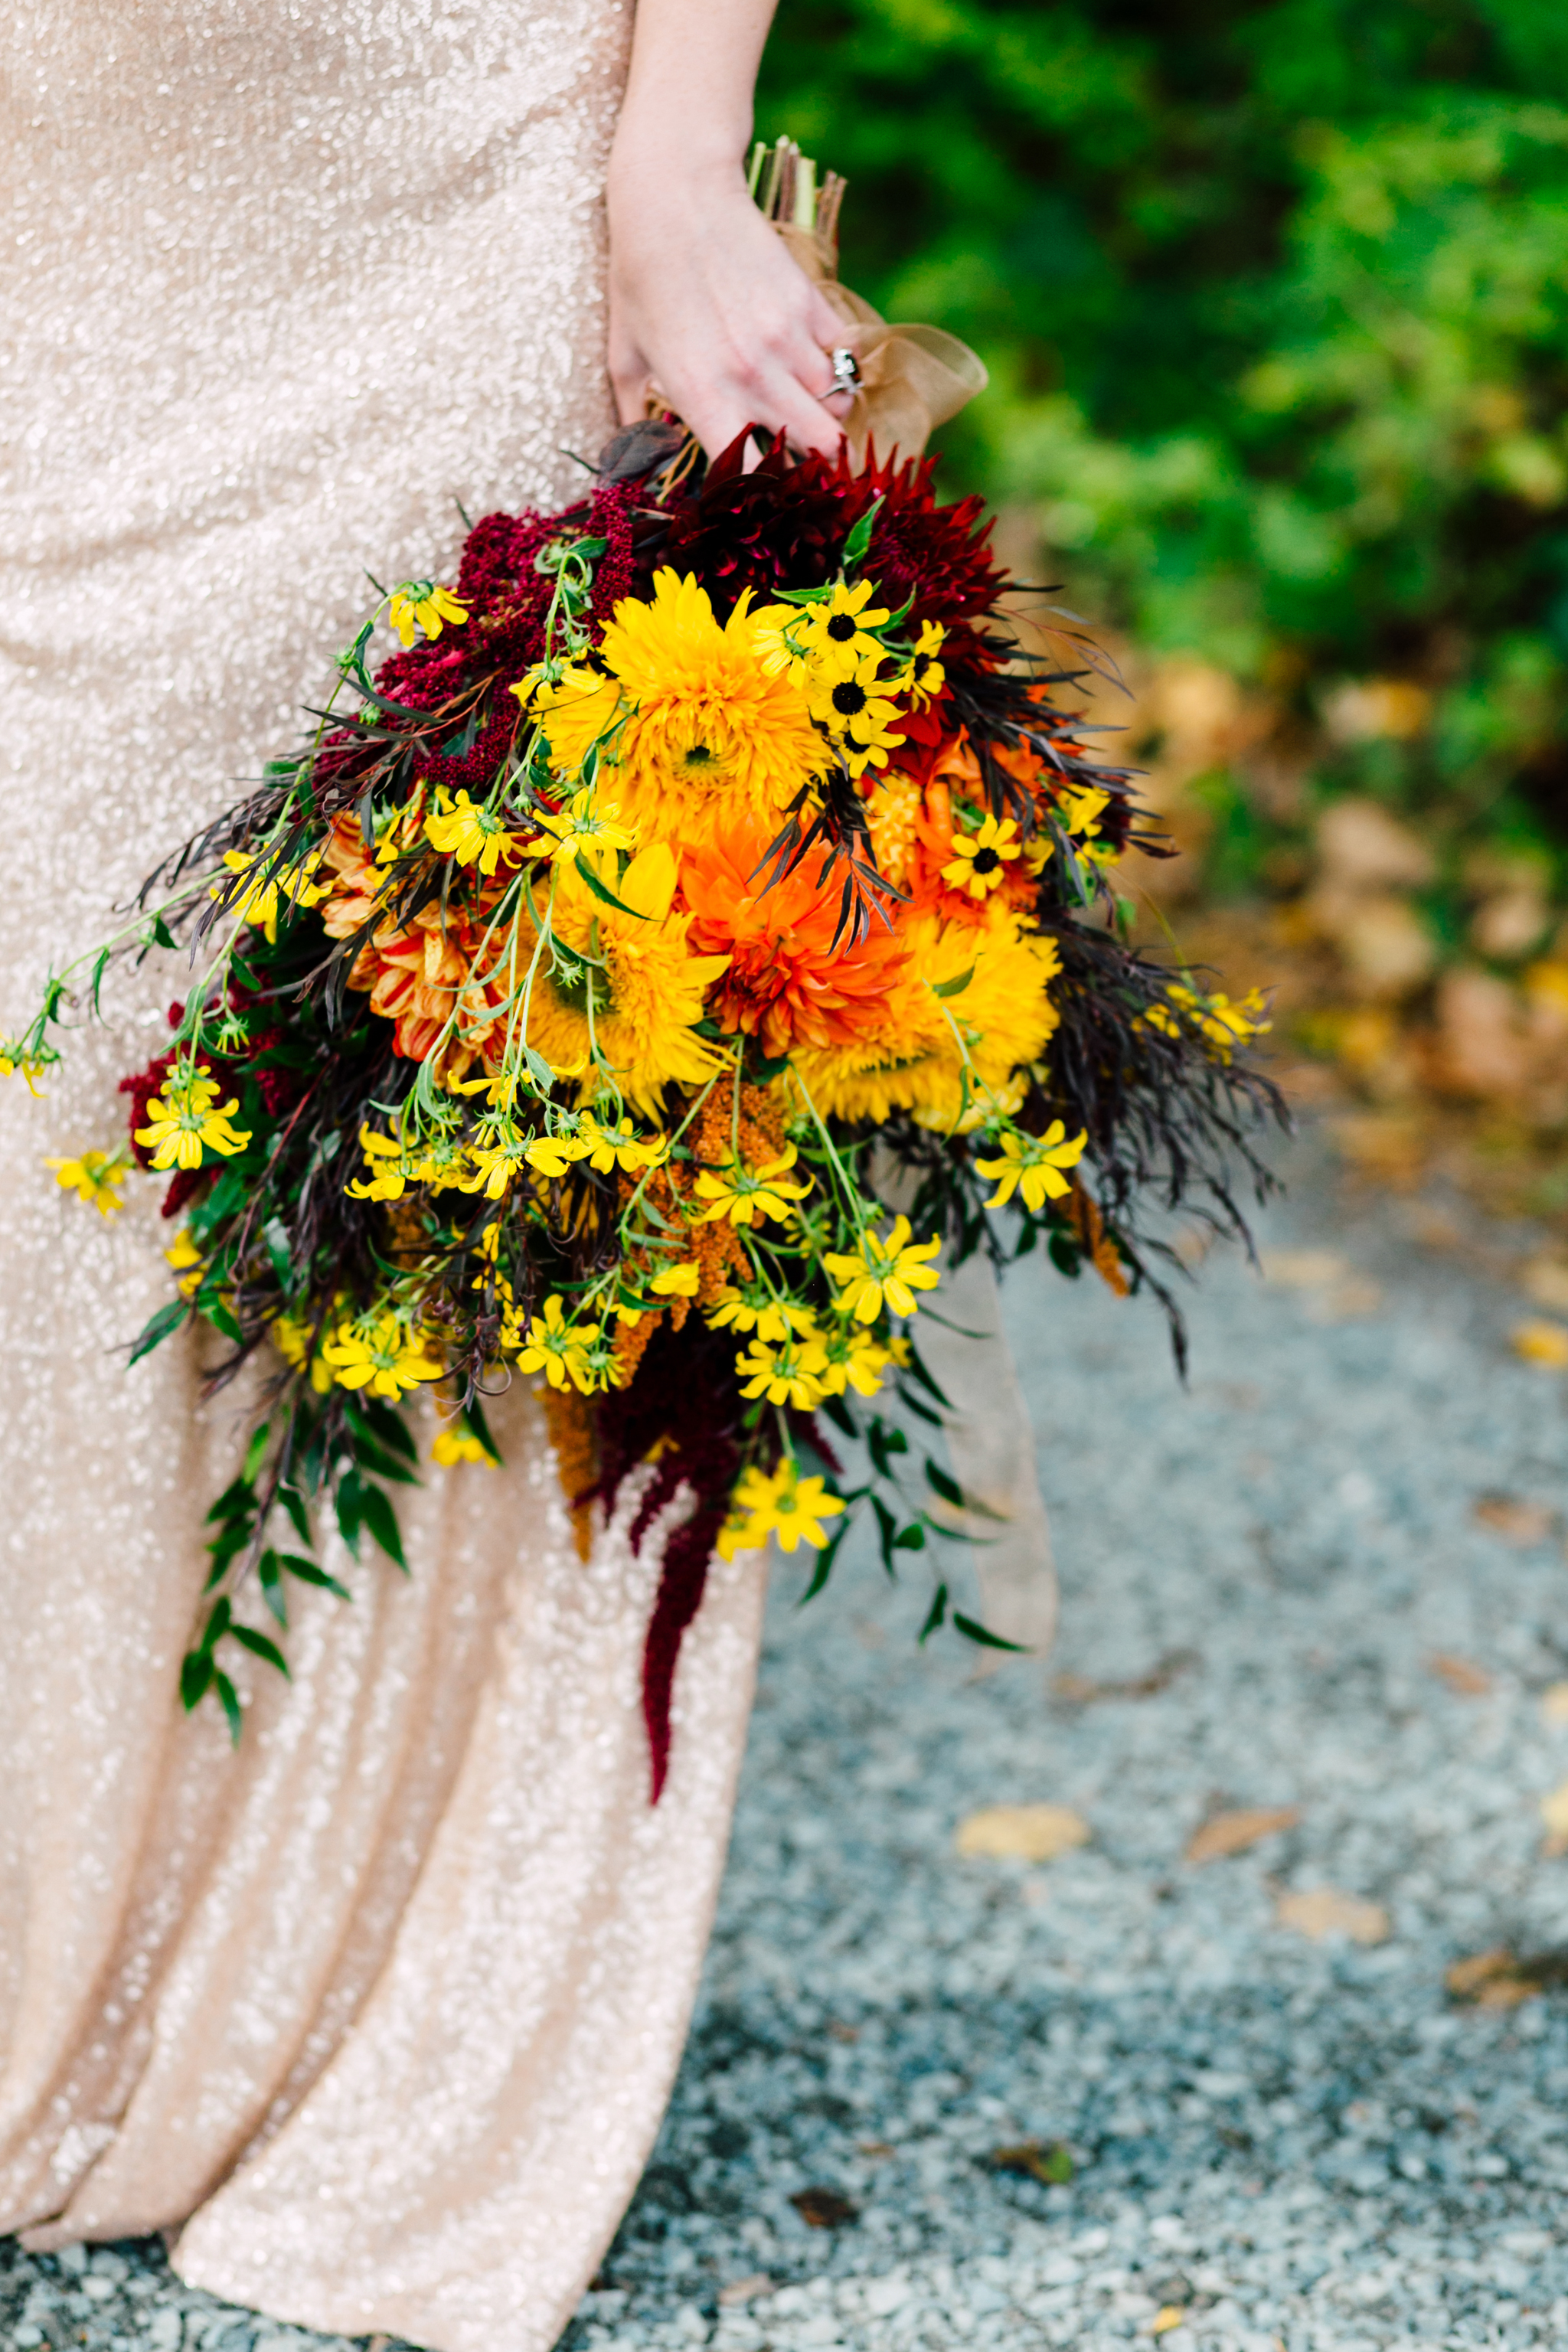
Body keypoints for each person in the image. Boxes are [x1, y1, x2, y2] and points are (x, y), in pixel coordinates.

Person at [0, 6, 864, 2348]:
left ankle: (369, 1986)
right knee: (44, 1059)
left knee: (466, 1041)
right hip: (60, 156)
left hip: (461, 156)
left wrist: (680, 155)